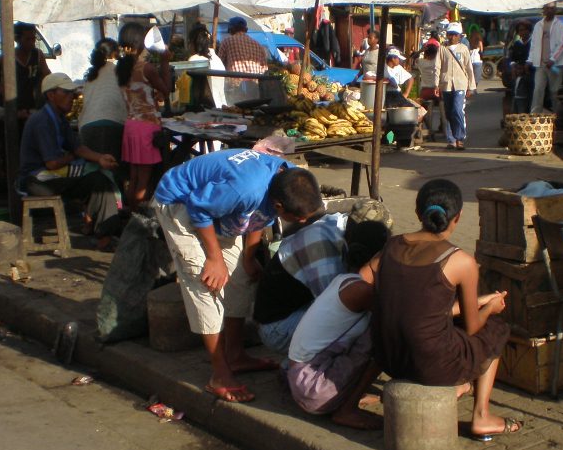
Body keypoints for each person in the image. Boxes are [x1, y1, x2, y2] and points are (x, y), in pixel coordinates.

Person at [368, 179, 520, 441]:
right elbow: (474, 327)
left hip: (388, 357)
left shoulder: (392, 246)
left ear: (418, 214)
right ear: (458, 217)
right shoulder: (461, 261)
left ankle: (461, 385)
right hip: (430, 365)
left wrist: (477, 302)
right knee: (495, 328)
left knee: (452, 328)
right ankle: (482, 416)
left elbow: (418, 307)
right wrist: (491, 307)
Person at [153, 145, 292, 403]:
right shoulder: (247, 189)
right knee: (205, 282)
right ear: (279, 204)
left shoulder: (291, 177)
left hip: (218, 206)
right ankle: (219, 373)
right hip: (181, 203)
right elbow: (198, 208)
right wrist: (214, 258)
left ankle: (235, 355)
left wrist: (249, 258)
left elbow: (260, 217)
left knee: (241, 276)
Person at [286, 210, 393, 430]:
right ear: (381, 257)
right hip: (314, 389)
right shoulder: (362, 292)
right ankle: (347, 409)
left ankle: (348, 396)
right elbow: (404, 314)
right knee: (384, 333)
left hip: (299, 380)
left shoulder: (345, 280)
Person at [19, 73, 120, 251]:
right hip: (38, 180)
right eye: (66, 93)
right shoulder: (42, 121)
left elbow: (78, 147)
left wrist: (100, 157)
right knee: (96, 180)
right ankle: (103, 235)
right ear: (51, 95)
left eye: (72, 94)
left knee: (100, 177)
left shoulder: (59, 119)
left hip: (54, 175)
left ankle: (101, 232)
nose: (71, 98)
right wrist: (74, 157)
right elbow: (52, 163)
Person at [254, 168, 348, 355]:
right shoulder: (316, 241)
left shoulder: (334, 222)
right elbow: (333, 305)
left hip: (298, 307)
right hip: (277, 328)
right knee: (354, 325)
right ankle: (300, 366)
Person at [116, 22, 171, 210]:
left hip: (130, 126)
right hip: (147, 127)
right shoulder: (145, 68)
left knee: (134, 178)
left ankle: (131, 216)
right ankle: (137, 218)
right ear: (140, 43)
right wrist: (165, 61)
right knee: (144, 181)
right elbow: (166, 89)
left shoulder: (121, 68)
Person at [0, 22, 51, 118]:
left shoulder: (37, 55)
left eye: (33, 39)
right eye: (28, 39)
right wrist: (0, 87)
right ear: (17, 39)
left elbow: (48, 76)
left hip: (30, 106)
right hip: (9, 108)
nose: (32, 42)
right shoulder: (6, 57)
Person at [79, 38, 127, 161]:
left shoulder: (91, 76)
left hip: (86, 128)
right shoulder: (119, 71)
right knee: (110, 171)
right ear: (116, 54)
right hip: (112, 126)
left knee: (92, 173)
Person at [434, 22, 475, 151]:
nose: (452, 37)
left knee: (457, 110)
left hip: (460, 84)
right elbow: (437, 67)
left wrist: (471, 86)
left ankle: (459, 137)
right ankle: (451, 139)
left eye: (454, 35)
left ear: (459, 36)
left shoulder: (463, 49)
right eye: (450, 34)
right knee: (448, 112)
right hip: (446, 84)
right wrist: (436, 84)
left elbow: (469, 68)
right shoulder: (442, 48)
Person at [527, 2, 563, 114]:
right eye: (548, 8)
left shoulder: (559, 25)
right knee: (538, 90)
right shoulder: (538, 25)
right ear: (544, 10)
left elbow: (562, 44)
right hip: (540, 64)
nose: (550, 10)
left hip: (555, 65)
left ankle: (558, 117)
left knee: (555, 92)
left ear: (555, 10)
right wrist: (530, 60)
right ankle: (535, 117)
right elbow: (534, 45)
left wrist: (553, 59)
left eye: (552, 8)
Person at [216, 17, 268, 102]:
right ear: (246, 29)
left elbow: (219, 64)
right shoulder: (258, 45)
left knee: (235, 111)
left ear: (231, 29)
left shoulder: (227, 42)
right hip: (255, 88)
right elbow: (265, 70)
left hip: (235, 87)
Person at [187, 24, 226, 109]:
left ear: (193, 43)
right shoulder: (217, 59)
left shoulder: (194, 60)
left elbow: (190, 90)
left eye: (189, 42)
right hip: (221, 106)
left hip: (206, 108)